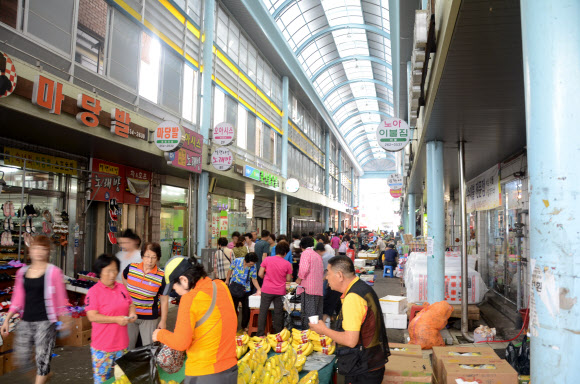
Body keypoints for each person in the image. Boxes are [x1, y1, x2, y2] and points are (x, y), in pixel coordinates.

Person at [153, 257, 238, 383]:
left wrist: (160, 334)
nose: (176, 292)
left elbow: (181, 342)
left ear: (184, 280)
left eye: (174, 288)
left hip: (204, 373)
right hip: (230, 369)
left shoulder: (190, 299)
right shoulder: (220, 286)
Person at [309, 256, 389, 384]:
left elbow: (350, 341)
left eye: (328, 273)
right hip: (371, 360)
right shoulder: (361, 288)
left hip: (362, 368)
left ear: (340, 275)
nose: (326, 278)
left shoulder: (353, 298)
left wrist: (323, 330)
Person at [1, 235, 70, 384]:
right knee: (22, 358)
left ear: (47, 252)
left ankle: (42, 374)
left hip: (46, 321)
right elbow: (17, 299)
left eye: (43, 249)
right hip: (25, 320)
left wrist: (65, 319)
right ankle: (44, 375)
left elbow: (60, 298)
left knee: (42, 358)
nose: (39, 252)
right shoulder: (22, 273)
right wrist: (6, 319)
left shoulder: (54, 272)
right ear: (30, 251)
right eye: (35, 248)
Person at [86, 254, 136, 384]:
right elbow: (92, 316)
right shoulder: (94, 292)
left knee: (123, 380)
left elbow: (130, 304)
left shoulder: (121, 288)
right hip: (102, 348)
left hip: (122, 345)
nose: (112, 274)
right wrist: (116, 319)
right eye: (108, 271)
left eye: (115, 270)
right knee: (102, 381)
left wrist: (132, 314)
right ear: (100, 271)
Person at [123, 242, 168, 349]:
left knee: (149, 348)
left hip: (149, 318)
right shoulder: (131, 268)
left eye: (153, 257)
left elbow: (164, 300)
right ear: (142, 256)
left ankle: (149, 366)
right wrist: (128, 287)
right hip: (131, 315)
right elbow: (124, 276)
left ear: (157, 259)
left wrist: (163, 321)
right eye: (147, 256)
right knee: (128, 347)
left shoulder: (161, 276)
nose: (150, 260)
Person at [257, 241, 292, 336]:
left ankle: (260, 334)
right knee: (278, 313)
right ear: (285, 253)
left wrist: (268, 279)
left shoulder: (267, 260)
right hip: (280, 291)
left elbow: (260, 274)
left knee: (263, 311)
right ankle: (278, 334)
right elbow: (288, 279)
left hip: (266, 289)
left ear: (276, 251)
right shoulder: (287, 264)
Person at [225, 253, 261, 332]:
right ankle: (232, 325)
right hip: (234, 287)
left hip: (245, 289)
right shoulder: (237, 261)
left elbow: (254, 279)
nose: (252, 265)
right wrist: (227, 280)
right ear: (246, 261)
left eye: (253, 264)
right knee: (232, 308)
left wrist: (259, 289)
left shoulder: (253, 267)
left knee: (246, 309)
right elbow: (230, 270)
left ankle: (244, 326)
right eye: (251, 264)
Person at [296, 237, 324, 329]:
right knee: (317, 313)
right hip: (318, 288)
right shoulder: (317, 255)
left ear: (302, 246)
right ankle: (318, 334)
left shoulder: (305, 253)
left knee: (309, 314)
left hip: (308, 288)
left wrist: (299, 279)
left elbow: (304, 269)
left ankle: (308, 335)